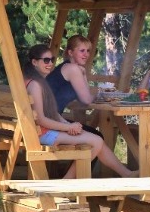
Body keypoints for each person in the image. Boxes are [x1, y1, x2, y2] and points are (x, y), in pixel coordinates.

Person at [22, 44, 135, 179]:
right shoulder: (35, 85)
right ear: (34, 62)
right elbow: (41, 119)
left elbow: (52, 113)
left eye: (52, 60)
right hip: (42, 134)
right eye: (46, 60)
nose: (50, 64)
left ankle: (126, 174)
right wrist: (67, 127)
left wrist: (68, 125)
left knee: (95, 139)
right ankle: (66, 183)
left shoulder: (37, 81)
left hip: (41, 131)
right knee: (96, 141)